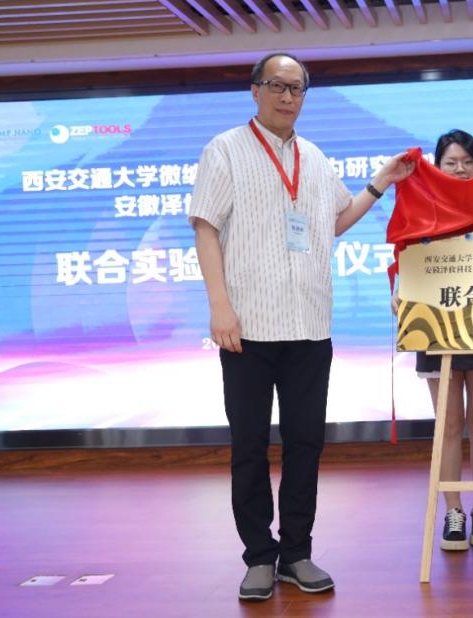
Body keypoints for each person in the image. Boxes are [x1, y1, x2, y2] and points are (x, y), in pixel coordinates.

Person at [189, 52, 413, 601]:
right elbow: (205, 226)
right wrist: (219, 306)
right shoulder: (224, 149)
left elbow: (333, 221)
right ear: (255, 90)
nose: (288, 97)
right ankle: (257, 556)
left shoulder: (312, 157)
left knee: (306, 443)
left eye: (297, 89)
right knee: (249, 444)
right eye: (277, 86)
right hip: (247, 326)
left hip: (310, 325)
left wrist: (381, 182)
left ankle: (295, 552)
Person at [393, 129, 473, 552]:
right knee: (449, 426)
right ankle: (454, 511)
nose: (460, 169)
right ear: (436, 167)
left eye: (468, 162)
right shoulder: (422, 208)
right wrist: (399, 291)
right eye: (451, 162)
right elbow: (406, 258)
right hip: (435, 327)